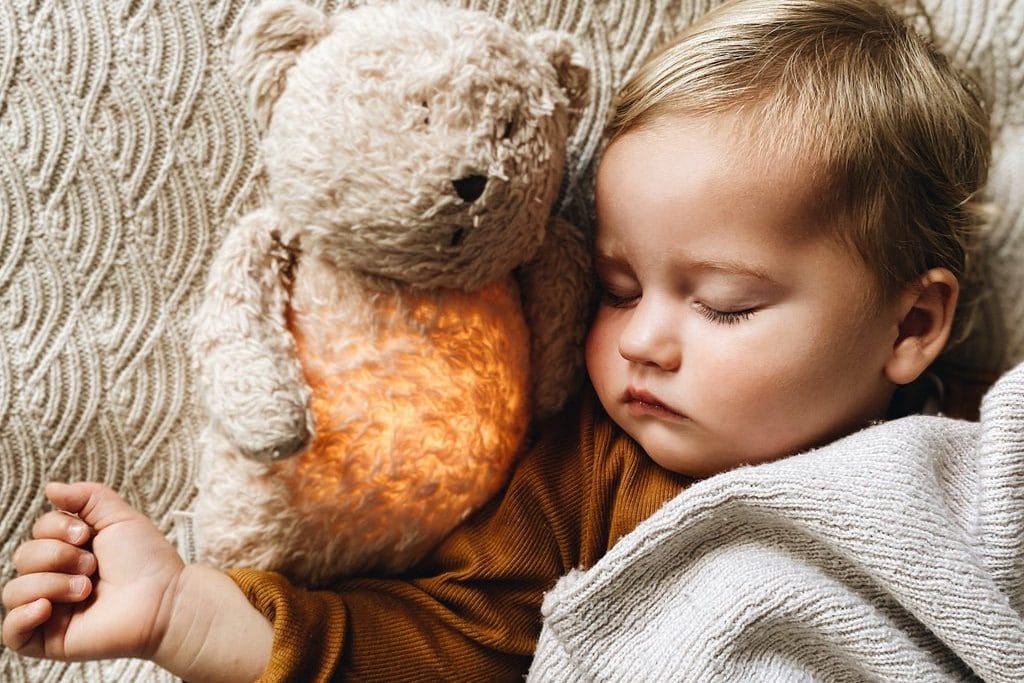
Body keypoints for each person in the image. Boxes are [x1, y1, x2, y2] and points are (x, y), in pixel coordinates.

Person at [1, 0, 990, 680]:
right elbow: (442, 643)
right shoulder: (582, 475)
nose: (644, 341)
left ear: (910, 324)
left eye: (724, 304)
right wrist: (183, 611)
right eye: (615, 288)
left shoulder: (977, 464)